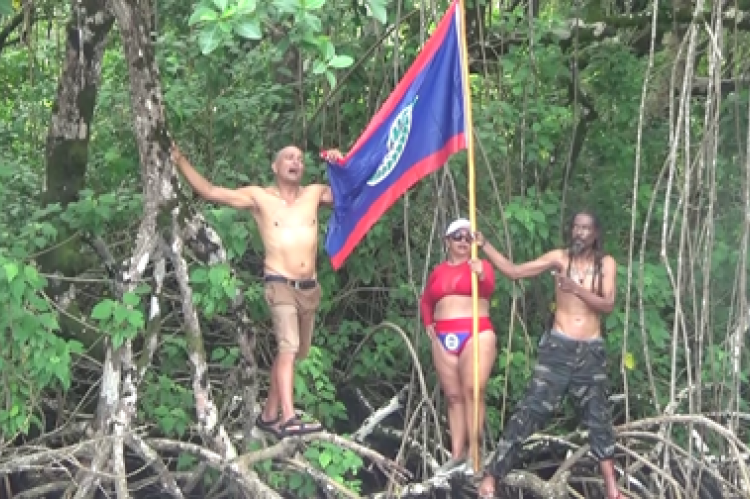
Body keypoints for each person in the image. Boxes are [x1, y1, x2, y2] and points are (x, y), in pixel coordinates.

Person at [171, 143, 344, 438]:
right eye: (288, 157)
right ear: (275, 167)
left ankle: (268, 414)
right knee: (288, 347)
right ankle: (289, 418)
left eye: (300, 159)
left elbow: (352, 191)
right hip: (279, 283)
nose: (296, 162)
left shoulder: (314, 193)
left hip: (309, 287)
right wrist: (180, 160)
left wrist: (341, 164)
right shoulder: (260, 197)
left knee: (298, 352)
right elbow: (211, 191)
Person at [475, 211, 624, 499]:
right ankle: (492, 477)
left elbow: (607, 304)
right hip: (558, 348)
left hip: (590, 351)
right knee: (530, 411)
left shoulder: (606, 264)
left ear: (595, 234)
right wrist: (485, 246)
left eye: (585, 228)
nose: (579, 233)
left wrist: (576, 289)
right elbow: (515, 271)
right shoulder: (559, 258)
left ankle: (612, 490)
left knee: (599, 418)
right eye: (576, 227)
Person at [420, 218, 498, 475]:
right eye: (457, 237)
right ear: (447, 241)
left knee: (473, 390)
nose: (463, 241)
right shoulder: (438, 271)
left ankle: (475, 453)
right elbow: (426, 301)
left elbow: (488, 288)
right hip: (443, 337)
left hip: (475, 331)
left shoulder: (480, 264)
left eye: (467, 237)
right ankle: (457, 453)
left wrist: (481, 273)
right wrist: (428, 322)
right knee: (453, 397)